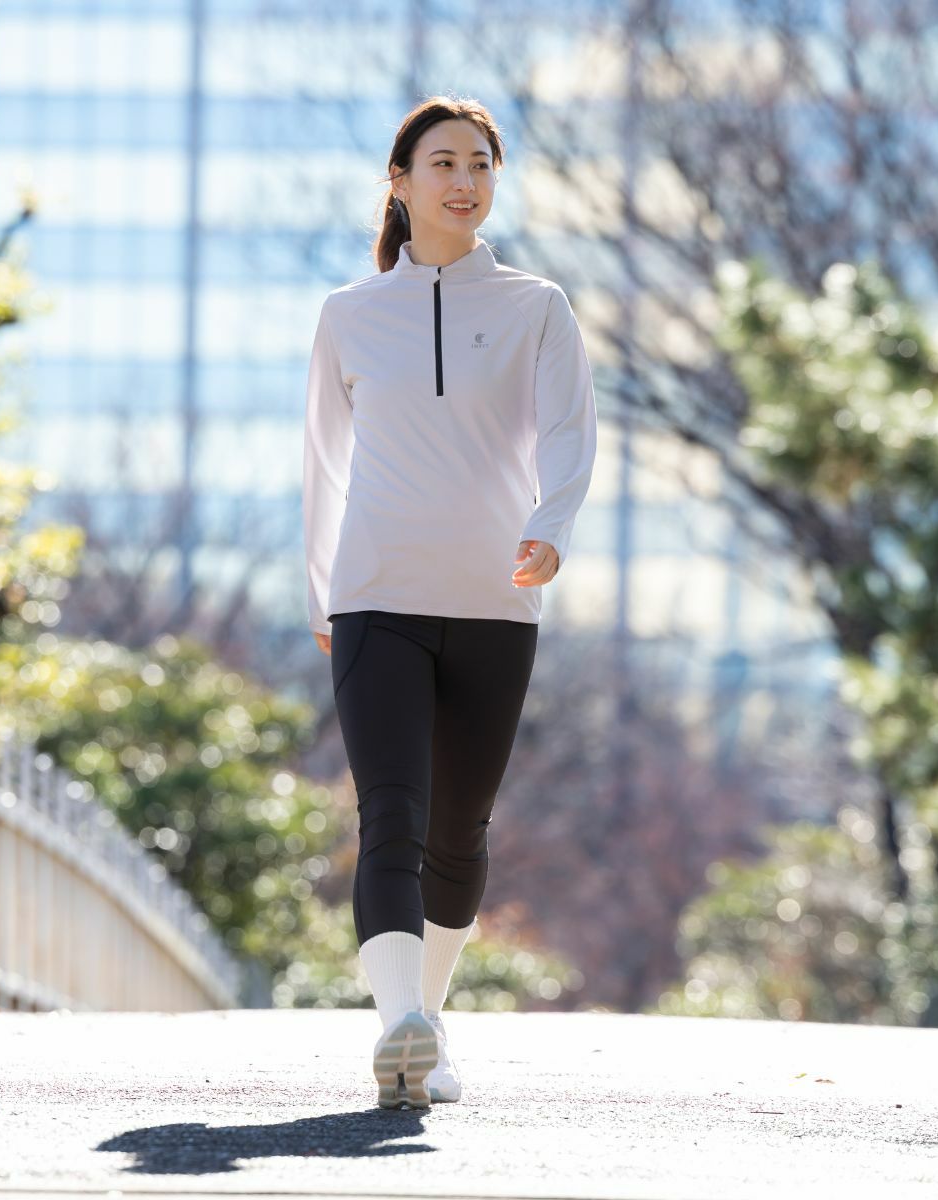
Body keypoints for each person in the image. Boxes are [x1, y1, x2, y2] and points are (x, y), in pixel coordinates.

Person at [302, 94, 598, 1110]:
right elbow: (321, 463)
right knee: (390, 811)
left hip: (493, 599)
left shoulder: (535, 306)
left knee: (460, 830)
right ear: (400, 181)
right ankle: (397, 1022)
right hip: (374, 594)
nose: (463, 181)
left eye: (479, 164)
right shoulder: (349, 314)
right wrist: (320, 591)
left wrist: (551, 526)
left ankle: (425, 1022)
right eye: (443, 163)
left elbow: (568, 430)